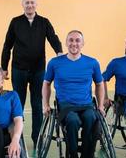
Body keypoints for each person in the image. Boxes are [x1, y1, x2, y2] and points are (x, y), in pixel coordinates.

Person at [1, 0, 63, 149]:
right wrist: (3, 68)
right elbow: (7, 45)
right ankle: (17, 138)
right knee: (18, 105)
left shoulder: (44, 22)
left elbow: (53, 38)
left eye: (32, 3)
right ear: (22, 5)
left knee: (37, 104)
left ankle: (38, 138)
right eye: (27, 3)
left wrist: (60, 53)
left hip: (38, 70)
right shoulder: (15, 22)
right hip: (18, 69)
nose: (29, 5)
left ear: (36, 4)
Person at [42, 30, 105, 158]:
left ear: (83, 43)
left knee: (90, 118)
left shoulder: (92, 63)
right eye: (71, 40)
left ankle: (87, 153)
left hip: (86, 104)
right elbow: (46, 83)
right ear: (66, 42)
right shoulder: (55, 62)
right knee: (72, 120)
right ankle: (73, 154)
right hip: (66, 105)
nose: (74, 43)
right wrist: (45, 104)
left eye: (77, 40)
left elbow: (100, 84)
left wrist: (101, 105)